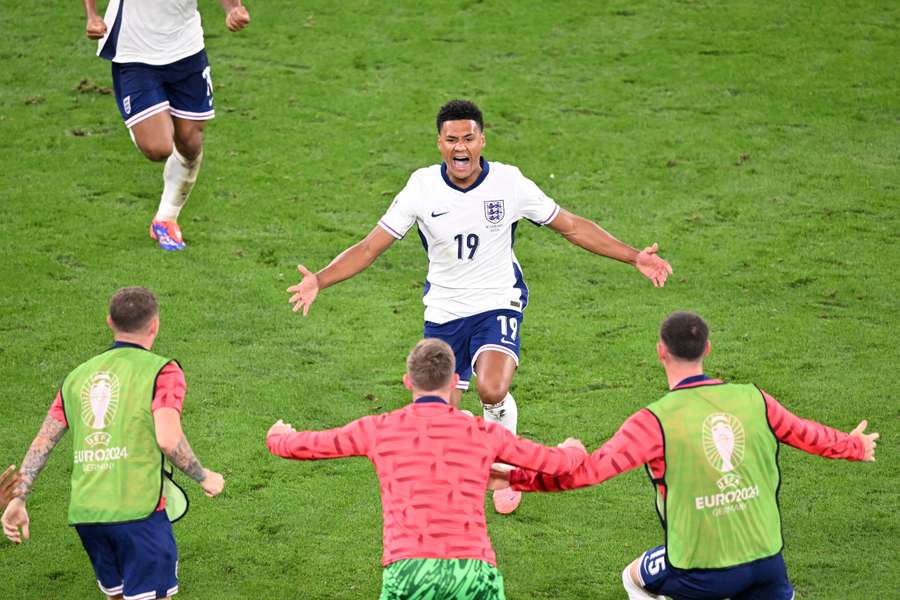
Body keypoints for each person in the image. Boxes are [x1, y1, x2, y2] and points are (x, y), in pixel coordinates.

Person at [287, 98, 673, 514]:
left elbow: (572, 226)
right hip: (444, 311)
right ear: (439, 144)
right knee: (440, 417)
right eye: (451, 139)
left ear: (482, 140)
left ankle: (504, 464)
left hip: (497, 300)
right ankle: (461, 475)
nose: (460, 147)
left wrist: (634, 256)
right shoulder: (420, 188)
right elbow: (369, 247)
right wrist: (320, 279)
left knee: (492, 388)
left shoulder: (509, 184)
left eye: (468, 138)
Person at [490, 311, 879, 600]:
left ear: (661, 352)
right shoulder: (754, 399)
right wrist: (855, 445)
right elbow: (808, 434)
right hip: (767, 563)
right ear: (707, 349)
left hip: (701, 570)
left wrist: (512, 477)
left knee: (633, 578)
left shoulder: (652, 423)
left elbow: (586, 473)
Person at [266, 338, 588, 600]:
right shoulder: (484, 433)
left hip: (408, 572)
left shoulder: (378, 429)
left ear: (408, 381)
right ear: (454, 382)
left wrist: (279, 437)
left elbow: (309, 446)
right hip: (471, 572)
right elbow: (555, 464)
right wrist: (572, 449)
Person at [2, 287, 225, 600]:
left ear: (110, 322)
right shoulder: (163, 371)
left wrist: (18, 499)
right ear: (155, 325)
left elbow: (43, 442)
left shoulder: (77, 377)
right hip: (139, 514)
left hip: (88, 514)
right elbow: (168, 438)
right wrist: (205, 476)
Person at [83, 0, 251, 251]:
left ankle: (166, 218)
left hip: (186, 50)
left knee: (190, 142)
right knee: (158, 147)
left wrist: (233, 8)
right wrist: (92, 15)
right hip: (135, 51)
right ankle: (142, 122)